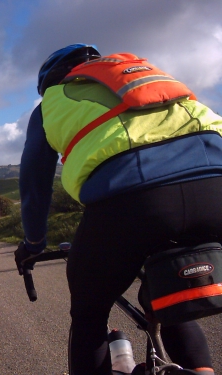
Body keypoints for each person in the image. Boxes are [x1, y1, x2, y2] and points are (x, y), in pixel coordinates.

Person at [15, 43, 222, 375]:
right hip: (217, 188)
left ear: (50, 82)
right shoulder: (150, 79)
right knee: (171, 298)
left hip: (134, 202)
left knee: (89, 317)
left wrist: (33, 245)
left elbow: (34, 187)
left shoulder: (51, 103)